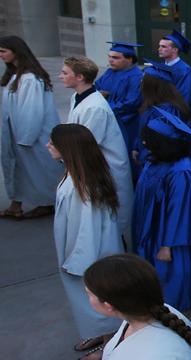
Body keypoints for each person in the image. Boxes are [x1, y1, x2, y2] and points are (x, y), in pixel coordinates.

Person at [49, 124, 124, 360]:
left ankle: (109, 342)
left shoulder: (83, 188)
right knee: (86, 300)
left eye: (53, 143)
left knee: (99, 298)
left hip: (89, 256)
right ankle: (97, 333)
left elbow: (87, 232)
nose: (48, 145)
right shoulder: (76, 176)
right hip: (77, 252)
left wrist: (79, 261)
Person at [132, 108, 191, 315]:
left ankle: (180, 319)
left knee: (174, 279)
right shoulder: (156, 161)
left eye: (149, 139)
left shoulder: (183, 172)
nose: (144, 143)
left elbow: (183, 212)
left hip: (171, 239)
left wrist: (168, 245)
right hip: (152, 232)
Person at [57, 56, 135, 242]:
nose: (60, 76)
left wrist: (63, 155)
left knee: (109, 223)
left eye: (65, 73)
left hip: (104, 169)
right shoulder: (77, 97)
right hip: (90, 167)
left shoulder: (95, 108)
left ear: (80, 77)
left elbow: (86, 144)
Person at [0, 36, 64, 220]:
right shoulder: (16, 75)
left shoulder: (30, 78)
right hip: (17, 134)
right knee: (19, 170)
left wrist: (25, 137)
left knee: (39, 171)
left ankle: (48, 203)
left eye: (3, 51)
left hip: (31, 135)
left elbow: (32, 111)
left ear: (15, 51)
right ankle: (15, 205)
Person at [97, 42, 145, 162]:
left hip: (126, 123)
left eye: (116, 57)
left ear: (129, 59)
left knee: (124, 156)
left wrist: (105, 107)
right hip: (108, 121)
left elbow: (131, 103)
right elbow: (96, 88)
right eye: (109, 56)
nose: (111, 60)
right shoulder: (109, 72)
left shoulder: (136, 76)